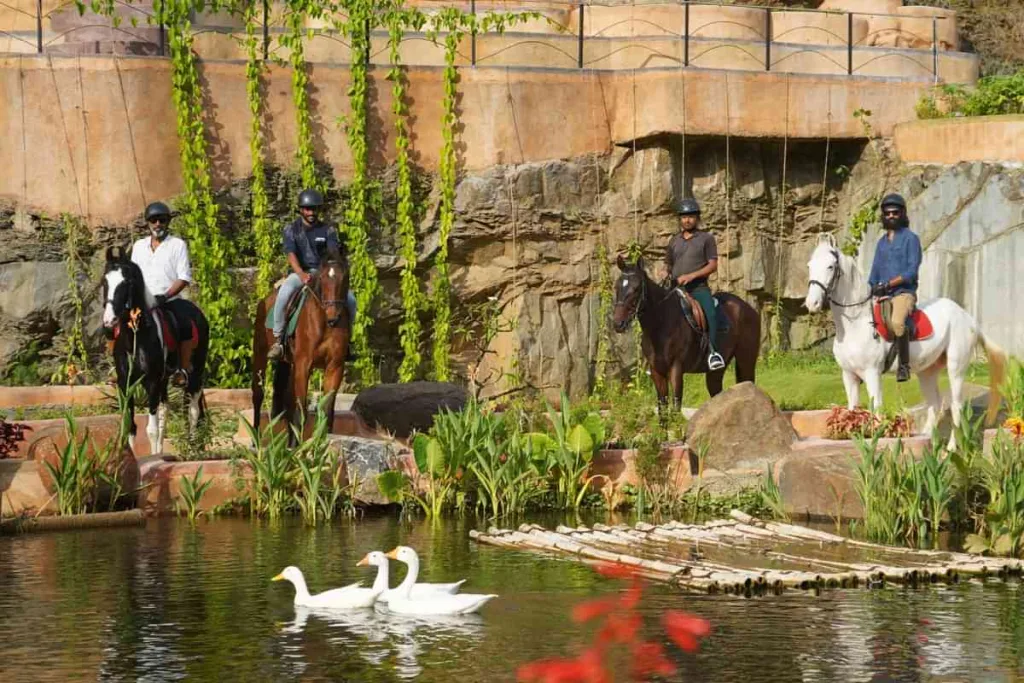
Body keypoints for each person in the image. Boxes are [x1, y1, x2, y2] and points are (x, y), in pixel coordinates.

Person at [267, 189, 356, 361]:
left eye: (314, 209)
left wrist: (329, 272)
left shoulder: (328, 230)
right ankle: (278, 340)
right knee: (284, 294)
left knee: (351, 301)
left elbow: (332, 253)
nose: (311, 212)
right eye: (307, 209)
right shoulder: (291, 229)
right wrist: (300, 274)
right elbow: (291, 254)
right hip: (299, 273)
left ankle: (347, 342)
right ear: (301, 209)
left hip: (322, 275)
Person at [129, 201, 200, 387]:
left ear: (168, 222)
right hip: (143, 302)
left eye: (161, 220)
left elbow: (183, 277)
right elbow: (132, 276)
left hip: (168, 300)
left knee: (185, 324)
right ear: (147, 223)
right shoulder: (138, 246)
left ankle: (182, 370)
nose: (157, 224)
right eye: (153, 220)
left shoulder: (177, 245)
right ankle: (124, 370)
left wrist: (165, 296)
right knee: (116, 324)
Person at [664, 197, 725, 371]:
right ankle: (658, 356)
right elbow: (668, 263)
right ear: (680, 219)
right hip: (676, 288)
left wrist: (692, 276)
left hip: (698, 288)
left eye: (691, 216)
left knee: (711, 314)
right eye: (683, 217)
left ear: (697, 218)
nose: (687, 220)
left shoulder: (706, 238)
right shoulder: (674, 240)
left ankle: (714, 353)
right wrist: (664, 271)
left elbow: (712, 265)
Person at [868, 193, 922, 383]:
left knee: (897, 322)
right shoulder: (881, 243)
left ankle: (904, 367)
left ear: (903, 213)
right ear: (883, 215)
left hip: (903, 293)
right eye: (887, 213)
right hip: (883, 294)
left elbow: (911, 271)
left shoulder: (911, 239)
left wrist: (888, 285)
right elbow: (874, 271)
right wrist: (872, 288)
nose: (891, 216)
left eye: (895, 212)